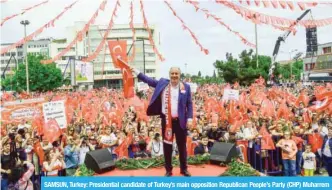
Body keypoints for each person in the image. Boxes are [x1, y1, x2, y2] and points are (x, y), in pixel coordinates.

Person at [132, 66, 193, 177]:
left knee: (182, 147)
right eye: (172, 73)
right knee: (167, 146)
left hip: (181, 122)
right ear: (169, 74)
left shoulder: (186, 87)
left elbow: (189, 104)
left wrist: (190, 118)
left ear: (180, 75)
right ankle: (168, 170)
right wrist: (137, 73)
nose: (174, 75)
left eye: (176, 73)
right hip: (167, 121)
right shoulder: (163, 84)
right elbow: (149, 81)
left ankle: (184, 169)